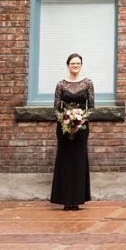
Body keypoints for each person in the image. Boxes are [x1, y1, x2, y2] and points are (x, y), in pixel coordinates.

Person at [50, 53, 93, 211]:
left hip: (82, 128)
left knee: (78, 162)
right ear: (68, 65)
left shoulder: (88, 83)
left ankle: (77, 200)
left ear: (81, 65)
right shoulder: (61, 84)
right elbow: (56, 109)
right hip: (64, 128)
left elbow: (92, 107)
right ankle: (65, 200)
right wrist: (66, 122)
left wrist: (80, 120)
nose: (75, 65)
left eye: (78, 63)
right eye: (73, 63)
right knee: (65, 161)